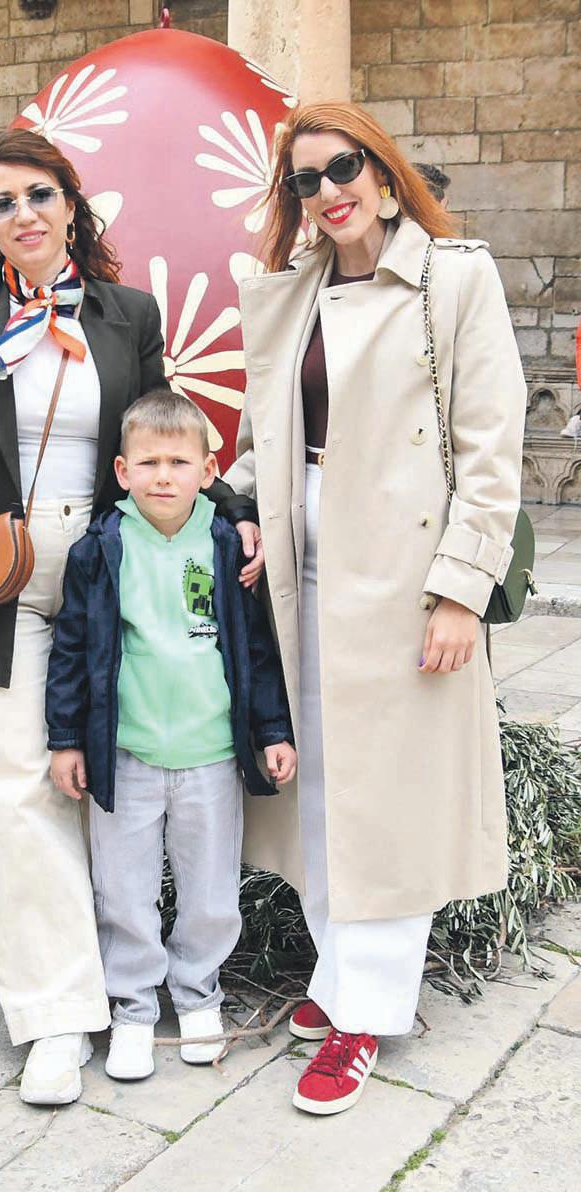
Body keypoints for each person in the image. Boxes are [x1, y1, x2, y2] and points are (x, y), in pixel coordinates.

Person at [0, 129, 254, 1106]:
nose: (23, 214)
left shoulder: (127, 313)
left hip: (109, 575)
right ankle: (57, 1016)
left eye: (39, 194)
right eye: (1, 201)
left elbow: (165, 434)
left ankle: (141, 983)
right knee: (19, 791)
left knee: (113, 777)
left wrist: (234, 512)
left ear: (69, 203)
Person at [224, 102, 526, 1116]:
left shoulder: (455, 277)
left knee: (388, 794)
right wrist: (238, 510)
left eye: (343, 167)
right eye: (304, 180)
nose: (327, 192)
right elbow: (267, 435)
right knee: (315, 781)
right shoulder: (296, 289)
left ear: (385, 174)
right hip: (301, 562)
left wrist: (460, 592)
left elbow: (490, 448)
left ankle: (368, 1013)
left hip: (404, 573)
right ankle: (336, 973)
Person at [46, 390, 296, 1081]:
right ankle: (131, 1007)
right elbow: (71, 650)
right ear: (122, 471)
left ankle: (197, 995)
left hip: (210, 755)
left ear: (208, 470)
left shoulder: (226, 545)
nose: (164, 476)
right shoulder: (100, 549)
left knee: (210, 892)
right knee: (124, 892)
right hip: (127, 755)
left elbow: (255, 649)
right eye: (149, 462)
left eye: (180, 462)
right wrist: (67, 739)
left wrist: (272, 729)